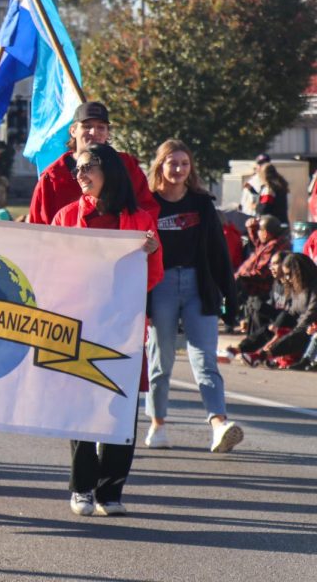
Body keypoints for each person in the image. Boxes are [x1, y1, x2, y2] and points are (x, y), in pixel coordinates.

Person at [51, 142, 162, 517]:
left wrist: (147, 254)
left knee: (120, 410)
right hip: (78, 328)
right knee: (79, 408)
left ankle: (110, 490)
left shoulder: (141, 220)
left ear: (109, 171)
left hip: (123, 329)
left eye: (88, 167)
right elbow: (51, 267)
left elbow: (155, 275)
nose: (80, 175)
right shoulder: (66, 217)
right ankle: (82, 487)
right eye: (77, 169)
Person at [143, 139, 244, 454]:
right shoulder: (147, 203)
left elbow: (218, 253)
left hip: (199, 286)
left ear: (191, 168)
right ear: (160, 165)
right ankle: (158, 424)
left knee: (205, 358)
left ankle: (218, 423)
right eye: (172, 163)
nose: (178, 169)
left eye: (184, 164)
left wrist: (230, 298)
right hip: (161, 284)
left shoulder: (201, 204)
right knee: (162, 358)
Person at [28, 102, 157, 226]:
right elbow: (38, 227)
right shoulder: (52, 178)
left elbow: (147, 210)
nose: (94, 132)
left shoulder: (127, 166)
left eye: (101, 127)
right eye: (87, 126)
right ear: (73, 130)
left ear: (108, 133)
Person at [254, 253, 317, 368]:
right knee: (280, 319)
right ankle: (247, 348)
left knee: (303, 331)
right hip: (303, 326)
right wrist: (277, 329)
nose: (287, 278)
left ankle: (266, 354)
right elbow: (291, 312)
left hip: (308, 328)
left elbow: (310, 315)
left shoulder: (314, 287)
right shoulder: (296, 286)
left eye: (289, 275)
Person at [234, 215, 290, 336]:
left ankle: (257, 350)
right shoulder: (267, 242)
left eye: (259, 230)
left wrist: (240, 276)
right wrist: (251, 227)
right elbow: (257, 241)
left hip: (262, 293)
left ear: (265, 233)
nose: (257, 233)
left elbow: (261, 273)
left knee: (258, 327)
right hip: (256, 292)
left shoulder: (273, 246)